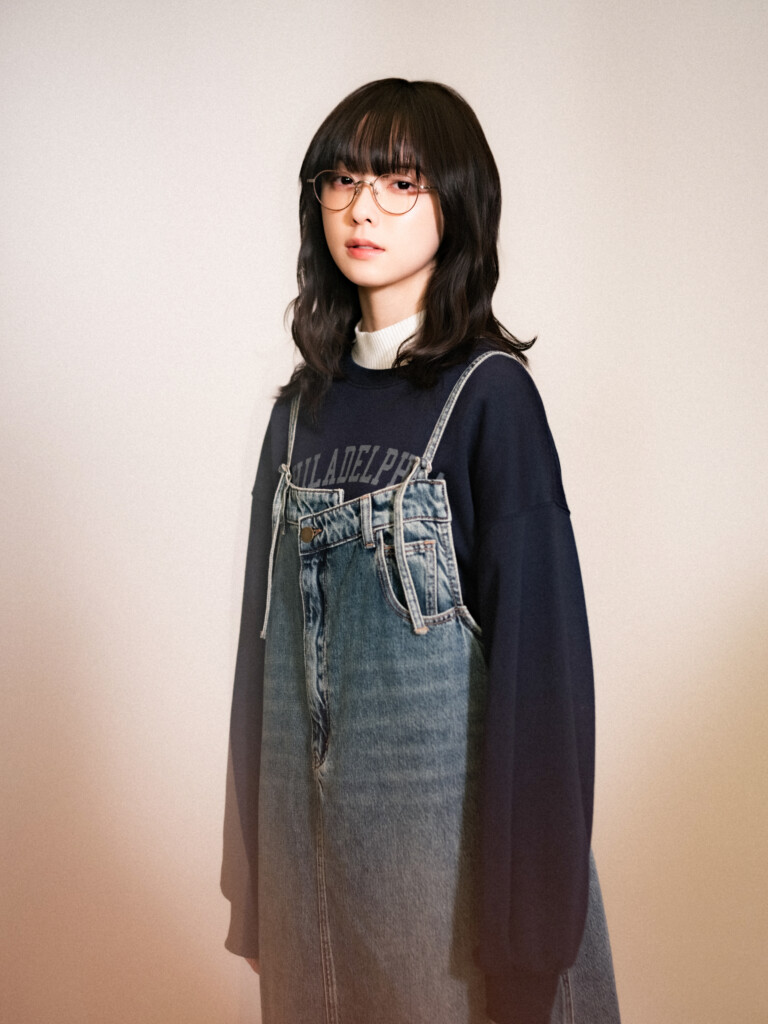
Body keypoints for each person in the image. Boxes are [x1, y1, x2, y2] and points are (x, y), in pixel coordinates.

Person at [221, 78, 620, 1024]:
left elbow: (543, 681)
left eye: (400, 183)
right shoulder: (297, 415)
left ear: (457, 204)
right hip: (310, 886)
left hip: (450, 903)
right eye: (342, 179)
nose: (363, 209)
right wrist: (258, 891)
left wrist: (527, 947)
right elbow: (261, 661)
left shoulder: (490, 399)